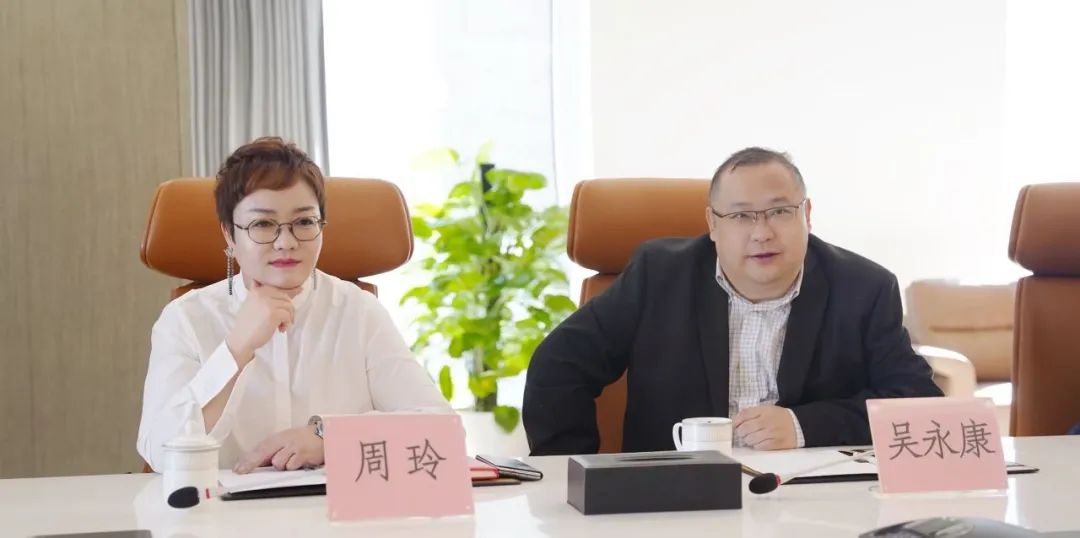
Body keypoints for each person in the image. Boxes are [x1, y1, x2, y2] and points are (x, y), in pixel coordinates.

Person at [523, 147, 943, 455]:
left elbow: (917, 403)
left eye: (780, 212)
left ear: (807, 215)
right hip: (677, 499)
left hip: (809, 500)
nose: (762, 233)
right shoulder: (659, 276)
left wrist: (803, 426)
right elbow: (558, 366)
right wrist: (573, 473)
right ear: (712, 223)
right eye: (741, 216)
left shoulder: (864, 288)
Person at [137, 137, 450, 473]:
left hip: (332, 506)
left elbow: (441, 429)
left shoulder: (359, 311)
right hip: (222, 505)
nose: (286, 242)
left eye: (304, 222)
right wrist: (236, 348)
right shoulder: (186, 319)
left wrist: (329, 437)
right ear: (229, 234)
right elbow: (162, 452)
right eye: (262, 224)